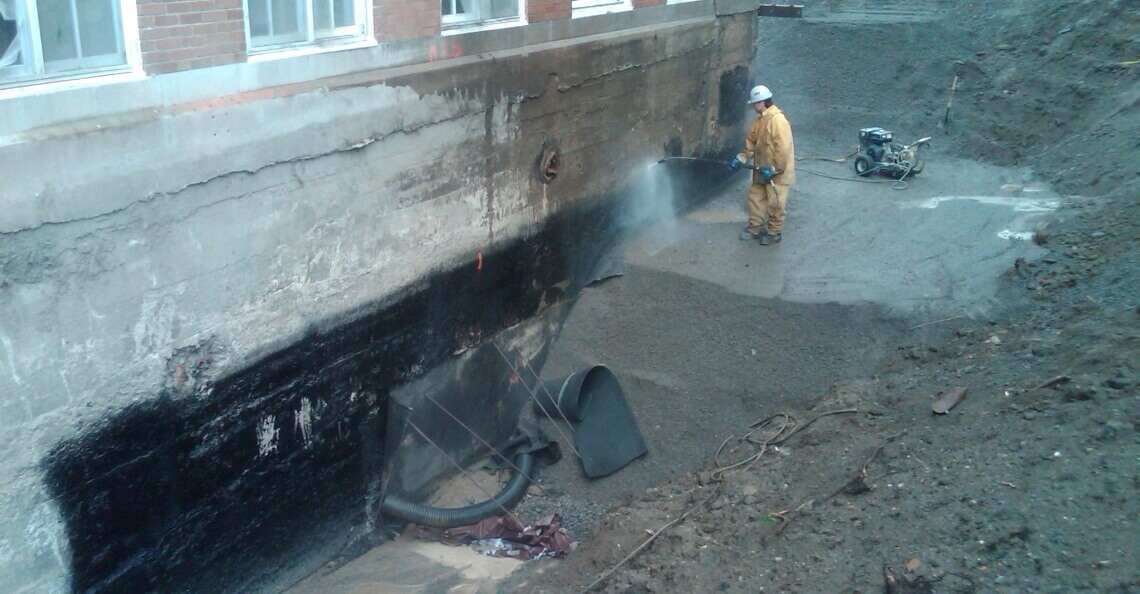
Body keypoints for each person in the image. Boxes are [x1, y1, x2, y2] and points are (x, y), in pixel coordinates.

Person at [729, 84, 796, 245]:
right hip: (761, 170)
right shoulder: (759, 122)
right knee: (756, 199)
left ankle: (774, 232)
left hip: (777, 174)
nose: (753, 106)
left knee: (776, 203)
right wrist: (741, 158)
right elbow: (750, 144)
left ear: (762, 102)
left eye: (755, 103)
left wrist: (775, 169)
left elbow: (783, 149)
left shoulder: (778, 121)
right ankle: (755, 227)